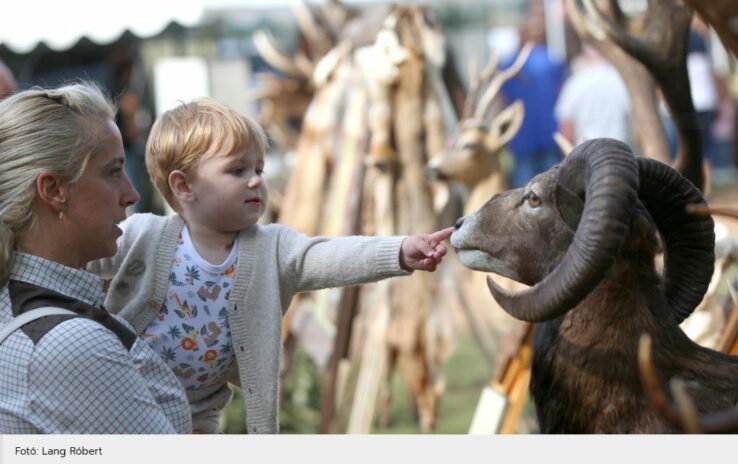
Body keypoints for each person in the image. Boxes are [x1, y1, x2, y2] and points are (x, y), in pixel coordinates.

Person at [88, 99, 453, 433]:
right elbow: (74, 254)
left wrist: (399, 251)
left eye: (259, 169)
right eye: (237, 170)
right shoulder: (140, 236)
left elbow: (328, 255)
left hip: (195, 417)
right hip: (122, 399)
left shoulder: (272, 248)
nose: (256, 181)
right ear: (184, 186)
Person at [0, 83, 192, 433]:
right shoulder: (68, 344)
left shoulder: (23, 306)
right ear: (54, 190)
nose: (131, 194)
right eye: (114, 171)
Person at [499, 0, 566, 188]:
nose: (538, 22)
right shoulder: (508, 65)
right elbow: (503, 105)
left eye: (541, 17)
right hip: (522, 146)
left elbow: (562, 102)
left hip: (550, 143)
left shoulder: (554, 61)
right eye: (534, 17)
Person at [555, 45, 631, 145]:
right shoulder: (621, 81)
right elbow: (634, 117)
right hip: (619, 149)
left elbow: (566, 126)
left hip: (586, 152)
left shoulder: (576, 82)